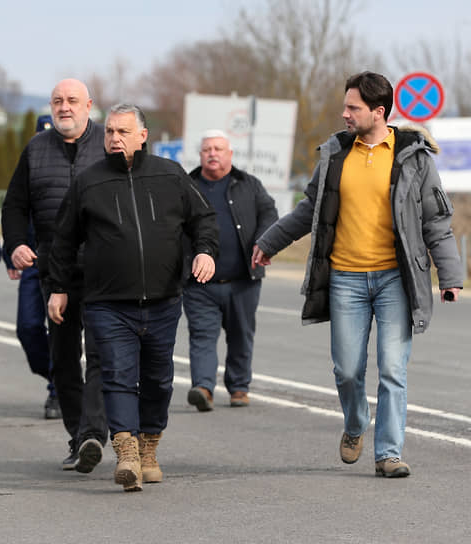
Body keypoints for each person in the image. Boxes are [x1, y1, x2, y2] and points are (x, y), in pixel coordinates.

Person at [252, 71, 463, 478]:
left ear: (378, 112)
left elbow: (437, 222)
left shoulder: (413, 159)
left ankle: (388, 453)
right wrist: (269, 242)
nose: (344, 113)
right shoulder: (335, 155)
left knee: (391, 369)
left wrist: (451, 278)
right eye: (345, 106)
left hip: (394, 281)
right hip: (345, 279)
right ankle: (354, 423)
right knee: (347, 370)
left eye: (353, 107)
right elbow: (308, 210)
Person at [48, 104, 218, 492]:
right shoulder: (89, 182)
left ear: (143, 135)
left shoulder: (170, 175)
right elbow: (64, 239)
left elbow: (203, 219)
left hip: (162, 300)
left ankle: (148, 448)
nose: (114, 139)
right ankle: (125, 453)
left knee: (158, 381)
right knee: (117, 377)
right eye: (109, 132)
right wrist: (58, 287)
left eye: (123, 132)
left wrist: (205, 251)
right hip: (107, 303)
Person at [1, 79, 108, 472]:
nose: (65, 107)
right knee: (63, 359)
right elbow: (14, 205)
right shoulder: (36, 149)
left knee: (99, 354)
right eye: (58, 101)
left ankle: (94, 433)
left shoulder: (109, 145)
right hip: (54, 271)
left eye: (72, 101)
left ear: (89, 106)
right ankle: (79, 436)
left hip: (103, 270)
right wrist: (13, 244)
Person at [183, 130, 278, 411]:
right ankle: (203, 387)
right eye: (207, 149)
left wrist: (264, 242)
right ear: (200, 156)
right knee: (202, 335)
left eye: (218, 149)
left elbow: (269, 214)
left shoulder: (248, 184)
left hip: (243, 280)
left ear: (230, 154)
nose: (212, 153)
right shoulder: (186, 186)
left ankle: (238, 388)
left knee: (241, 335)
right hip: (199, 283)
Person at [3, 114, 59, 420]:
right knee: (27, 327)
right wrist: (10, 250)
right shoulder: (27, 172)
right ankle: (55, 375)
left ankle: (58, 392)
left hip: (65, 263)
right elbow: (14, 212)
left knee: (61, 329)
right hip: (33, 262)